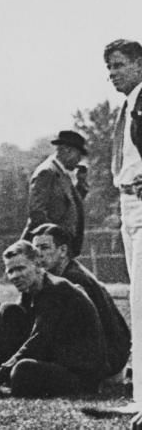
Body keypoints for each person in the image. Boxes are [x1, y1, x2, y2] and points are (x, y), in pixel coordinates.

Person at [0, 240, 106, 398]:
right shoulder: (30, 291)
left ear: (37, 266)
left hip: (80, 374)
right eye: (10, 271)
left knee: (23, 370)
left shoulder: (57, 290)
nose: (15, 276)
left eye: (21, 268)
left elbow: (38, 342)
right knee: (7, 311)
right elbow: (7, 324)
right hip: (53, 359)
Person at [28, 223, 130, 380]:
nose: (39, 255)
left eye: (44, 248)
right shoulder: (68, 272)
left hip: (104, 360)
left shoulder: (72, 279)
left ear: (62, 251)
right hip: (109, 355)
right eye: (35, 250)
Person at [105, 38, 142, 413]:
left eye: (119, 65)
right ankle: (139, 398)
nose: (113, 74)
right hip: (129, 205)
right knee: (138, 300)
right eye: (109, 68)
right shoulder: (129, 106)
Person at [21, 130, 88, 257]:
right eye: (78, 155)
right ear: (67, 150)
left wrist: (81, 183)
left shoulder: (61, 173)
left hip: (59, 250)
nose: (79, 160)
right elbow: (37, 213)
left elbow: (70, 205)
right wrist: (54, 243)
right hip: (49, 253)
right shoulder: (46, 172)